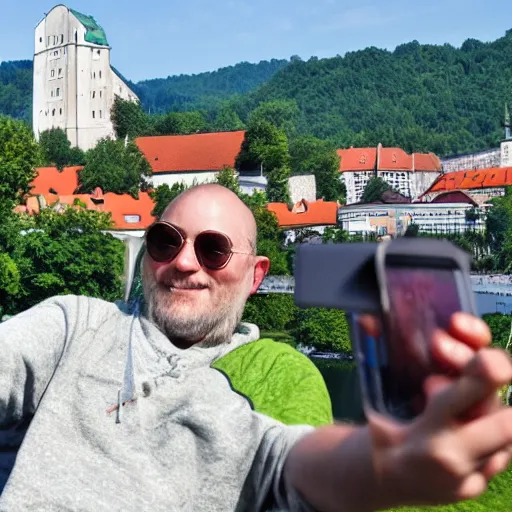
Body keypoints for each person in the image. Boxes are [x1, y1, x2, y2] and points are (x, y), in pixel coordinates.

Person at [0, 184, 512, 511]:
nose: (184, 262)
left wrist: (386, 464)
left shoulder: (249, 394)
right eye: (165, 241)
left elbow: (298, 463)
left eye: (213, 249)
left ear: (256, 275)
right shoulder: (77, 324)